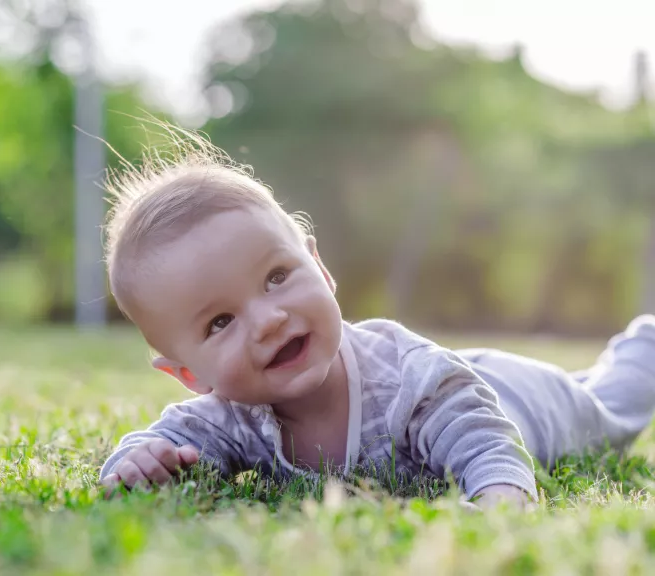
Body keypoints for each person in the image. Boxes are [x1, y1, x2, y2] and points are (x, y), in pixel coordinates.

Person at [98, 125, 655, 510]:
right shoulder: (227, 417)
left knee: (614, 404)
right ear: (191, 376)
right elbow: (160, 444)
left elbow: (490, 451)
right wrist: (139, 465)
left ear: (318, 266)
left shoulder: (409, 384)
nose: (268, 319)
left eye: (276, 277)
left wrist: (499, 503)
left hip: (520, 399)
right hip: (461, 374)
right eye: (220, 322)